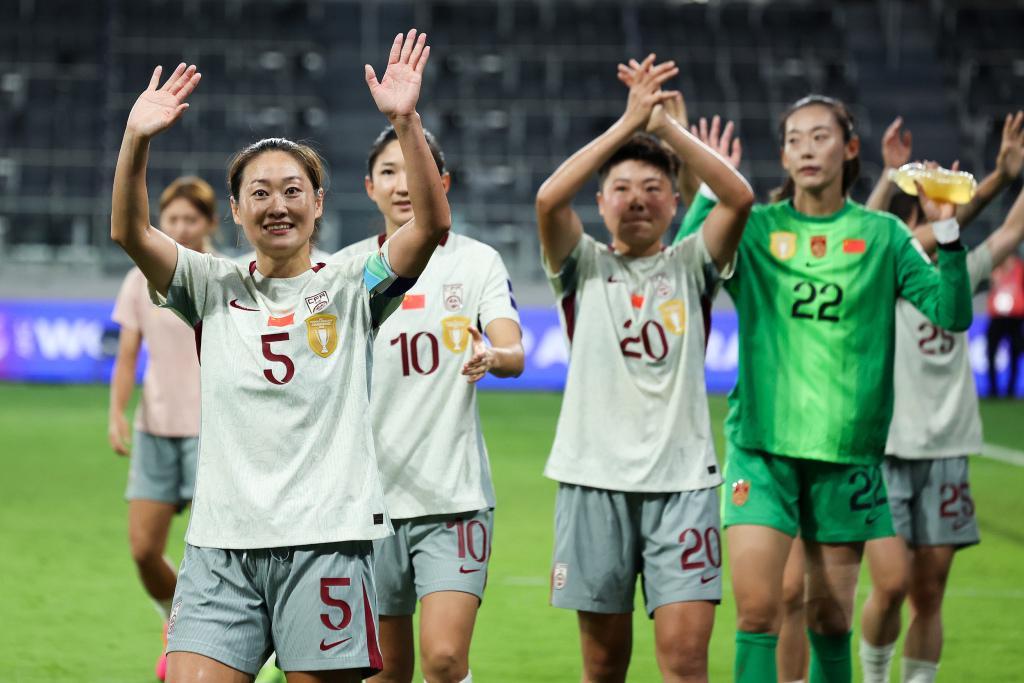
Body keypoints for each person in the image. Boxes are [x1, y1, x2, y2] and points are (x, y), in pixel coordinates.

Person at [110, 28, 450, 682]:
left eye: (293, 190)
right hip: (221, 547)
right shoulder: (208, 283)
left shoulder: (352, 283)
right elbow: (128, 230)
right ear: (236, 211)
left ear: (318, 204)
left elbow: (432, 226)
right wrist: (137, 139)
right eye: (259, 192)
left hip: (325, 544)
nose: (277, 205)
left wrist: (406, 122)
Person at [671, 94, 972, 683]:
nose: (806, 149)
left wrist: (948, 230)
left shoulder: (884, 235)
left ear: (850, 148)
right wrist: (709, 189)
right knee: (757, 614)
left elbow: (951, 312)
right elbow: (686, 272)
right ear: (783, 156)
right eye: (794, 140)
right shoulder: (756, 227)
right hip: (762, 453)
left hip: (845, 460)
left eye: (820, 136)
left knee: (830, 620)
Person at [536, 54, 754, 682]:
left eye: (653, 189)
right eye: (622, 189)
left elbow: (738, 197)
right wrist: (629, 123)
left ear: (675, 201)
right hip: (591, 481)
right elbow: (549, 198)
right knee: (604, 667)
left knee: (685, 663)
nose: (637, 199)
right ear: (600, 202)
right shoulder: (581, 265)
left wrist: (666, 131)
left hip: (682, 485)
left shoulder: (692, 264)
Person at [331, 126, 523, 683]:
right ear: (369, 187)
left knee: (444, 659)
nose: (402, 185)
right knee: (384, 670)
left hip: (453, 497)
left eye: (414, 171)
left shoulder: (477, 262)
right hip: (368, 502)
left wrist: (494, 354)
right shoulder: (347, 269)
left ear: (442, 183)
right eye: (388, 172)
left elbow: (512, 350)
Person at [857, 112, 1024, 683]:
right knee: (890, 585)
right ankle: (875, 678)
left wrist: (1013, 176)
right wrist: (990, 185)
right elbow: (878, 231)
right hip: (888, 450)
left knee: (929, 592)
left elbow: (1010, 234)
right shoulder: (878, 272)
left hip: (948, 449)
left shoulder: (961, 269)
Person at [108, 175, 218, 681]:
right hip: (155, 428)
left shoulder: (223, 275)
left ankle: (226, 643)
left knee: (213, 556)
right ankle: (174, 620)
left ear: (210, 222)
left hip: (212, 432)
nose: (180, 226)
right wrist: (117, 413)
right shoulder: (139, 279)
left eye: (190, 218)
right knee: (142, 550)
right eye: (171, 218)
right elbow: (127, 355)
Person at [986, 253, 1024, 397]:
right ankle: (993, 390)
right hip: (997, 318)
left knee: (1015, 352)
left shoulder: (1020, 269)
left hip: (1015, 317)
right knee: (991, 352)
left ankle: (1011, 390)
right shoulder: (995, 269)